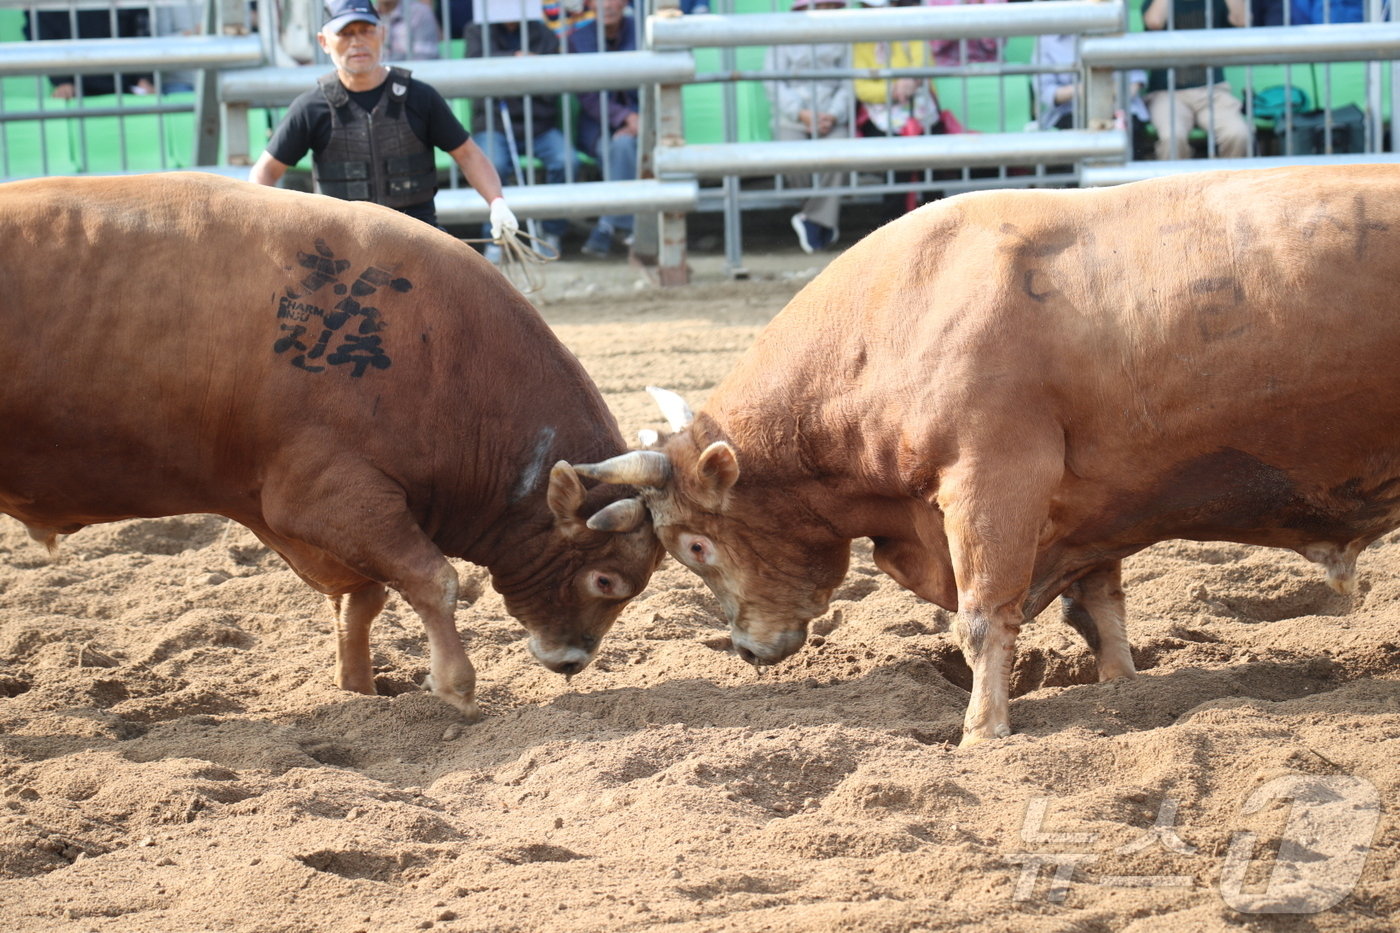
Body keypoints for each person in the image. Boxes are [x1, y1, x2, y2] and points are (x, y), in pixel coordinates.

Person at [250, 0, 517, 246]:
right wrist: (263, 225)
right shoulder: (311, 107)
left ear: (382, 34)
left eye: (366, 30)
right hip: (342, 248)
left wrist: (497, 204)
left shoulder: (419, 97)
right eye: (345, 33)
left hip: (418, 239)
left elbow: (468, 154)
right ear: (324, 42)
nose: (357, 42)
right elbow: (265, 171)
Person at [464, 13, 573, 256]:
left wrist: (527, 73)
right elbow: (473, 65)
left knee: (566, 161)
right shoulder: (476, 30)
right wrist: (515, 61)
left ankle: (551, 232)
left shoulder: (543, 32)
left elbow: (553, 81)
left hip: (539, 125)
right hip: (495, 125)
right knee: (493, 166)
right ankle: (494, 238)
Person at [765, 0, 851, 253]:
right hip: (792, 118)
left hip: (831, 118)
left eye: (831, 7)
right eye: (821, 6)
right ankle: (821, 219)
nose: (826, 12)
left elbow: (849, 82)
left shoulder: (847, 34)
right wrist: (800, 113)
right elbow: (772, 82)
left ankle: (812, 220)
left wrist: (832, 115)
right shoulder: (782, 34)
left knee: (841, 152)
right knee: (793, 154)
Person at [853, 0, 941, 220]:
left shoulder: (909, 29)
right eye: (872, 9)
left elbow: (924, 63)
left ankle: (938, 224)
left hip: (920, 113)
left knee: (934, 158)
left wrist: (910, 81)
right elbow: (862, 88)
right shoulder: (858, 41)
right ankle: (893, 226)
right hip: (881, 117)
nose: (879, 13)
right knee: (897, 163)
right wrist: (893, 89)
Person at [568, 0, 638, 258]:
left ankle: (608, 225)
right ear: (589, 4)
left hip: (646, 122)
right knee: (620, 147)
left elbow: (655, 82)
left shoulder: (642, 31)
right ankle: (630, 226)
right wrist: (625, 118)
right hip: (598, 127)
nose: (608, 4)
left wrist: (641, 118)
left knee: (622, 147)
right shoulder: (578, 39)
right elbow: (588, 97)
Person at [1141, 0, 1253, 160]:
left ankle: (1227, 183)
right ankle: (1175, 185)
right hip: (1167, 93)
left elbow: (1242, 20)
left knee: (1238, 134)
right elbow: (1154, 22)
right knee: (1172, 138)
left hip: (1213, 91)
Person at [1034, 33, 1154, 160]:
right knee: (1074, 140)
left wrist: (1085, 88)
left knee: (1129, 133)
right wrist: (1096, 87)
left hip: (1120, 110)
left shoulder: (1118, 33)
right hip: (1071, 113)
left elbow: (1133, 86)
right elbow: (1047, 93)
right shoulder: (1046, 40)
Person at [24, 7, 155, 98]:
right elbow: (40, 32)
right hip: (74, 83)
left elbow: (140, 26)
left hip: (128, 82)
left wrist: (143, 77)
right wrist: (62, 81)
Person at [925, 0, 1007, 67]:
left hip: (989, 68)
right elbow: (936, 44)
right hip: (948, 71)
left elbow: (994, 44)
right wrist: (960, 9)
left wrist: (980, 10)